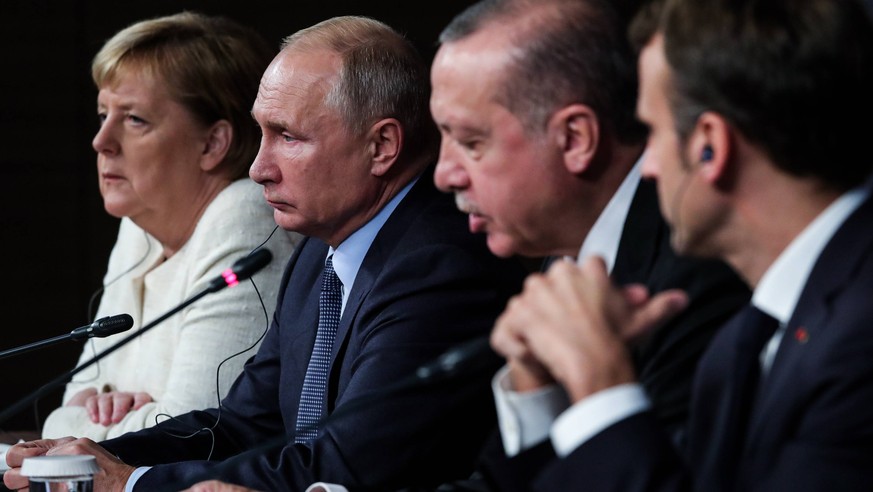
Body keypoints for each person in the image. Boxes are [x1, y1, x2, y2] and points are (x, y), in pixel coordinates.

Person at [4, 15, 528, 492]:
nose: (258, 168)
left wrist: (132, 484)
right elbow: (241, 426)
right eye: (261, 133)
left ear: (381, 147)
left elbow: (343, 469)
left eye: (288, 137)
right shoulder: (319, 255)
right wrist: (93, 457)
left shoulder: (437, 266)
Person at [488, 0, 873, 489]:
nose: (647, 167)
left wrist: (600, 385)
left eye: (651, 132)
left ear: (710, 146)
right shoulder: (739, 345)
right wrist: (546, 393)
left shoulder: (860, 341)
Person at [39, 12, 301, 442]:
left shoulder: (245, 217)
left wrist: (82, 420)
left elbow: (192, 435)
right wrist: (80, 419)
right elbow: (62, 410)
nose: (101, 141)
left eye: (134, 119)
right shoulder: (140, 226)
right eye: (103, 114)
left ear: (213, 143)